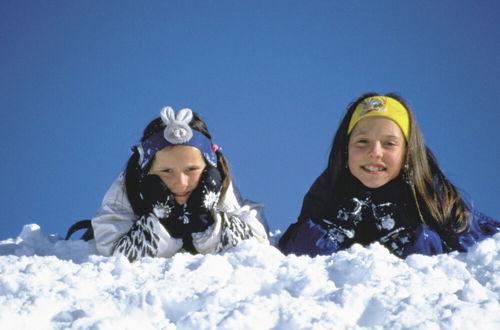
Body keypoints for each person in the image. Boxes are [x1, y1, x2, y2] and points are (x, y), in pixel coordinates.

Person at [278, 93, 499, 258]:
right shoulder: (330, 189)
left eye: (389, 144)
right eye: (362, 142)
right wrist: (335, 228)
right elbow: (297, 251)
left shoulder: (431, 193)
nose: (375, 152)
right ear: (345, 150)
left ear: (407, 154)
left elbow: (479, 251)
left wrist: (413, 238)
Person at [92, 106, 269, 262]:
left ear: (208, 168)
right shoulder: (129, 186)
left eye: (191, 169)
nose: (181, 183)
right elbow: (114, 252)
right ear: (146, 173)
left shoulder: (217, 185)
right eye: (166, 171)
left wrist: (206, 222)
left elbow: (256, 246)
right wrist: (166, 222)